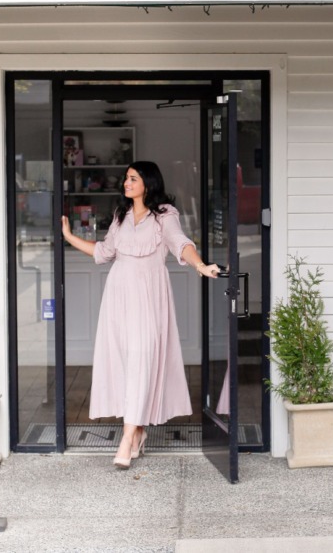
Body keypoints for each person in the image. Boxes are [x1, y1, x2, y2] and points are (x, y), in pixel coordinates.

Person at [61, 160, 219, 468]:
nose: (126, 183)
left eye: (132, 178)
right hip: (117, 299)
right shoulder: (120, 216)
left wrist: (200, 265)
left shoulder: (164, 216)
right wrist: (68, 236)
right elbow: (104, 253)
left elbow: (180, 244)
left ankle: (126, 438)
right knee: (124, 364)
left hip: (148, 299)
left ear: (147, 182)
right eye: (125, 178)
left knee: (142, 361)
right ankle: (138, 431)